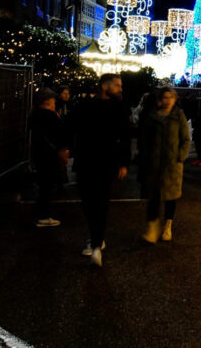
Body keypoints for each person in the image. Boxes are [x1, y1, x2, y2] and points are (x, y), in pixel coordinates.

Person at [69, 73, 132, 267]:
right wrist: (65, 148)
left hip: (106, 162)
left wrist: (124, 163)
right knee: (89, 202)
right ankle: (96, 238)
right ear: (105, 86)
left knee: (101, 202)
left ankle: (96, 244)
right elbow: (70, 126)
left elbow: (126, 136)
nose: (121, 89)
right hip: (87, 161)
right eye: (117, 85)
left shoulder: (119, 108)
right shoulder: (85, 105)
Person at [138, 88, 190, 243]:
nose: (168, 100)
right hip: (153, 164)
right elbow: (144, 138)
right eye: (165, 97)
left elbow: (186, 139)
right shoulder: (152, 116)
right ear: (160, 99)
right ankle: (152, 228)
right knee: (153, 197)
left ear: (175, 99)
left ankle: (167, 226)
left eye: (170, 97)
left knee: (170, 197)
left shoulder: (178, 116)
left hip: (172, 165)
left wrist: (180, 156)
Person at [30, 88, 69, 228]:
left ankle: (42, 214)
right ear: (47, 102)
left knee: (44, 185)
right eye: (53, 101)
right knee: (47, 185)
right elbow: (60, 133)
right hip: (49, 154)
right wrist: (62, 150)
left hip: (40, 153)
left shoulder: (35, 115)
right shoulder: (49, 116)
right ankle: (43, 216)